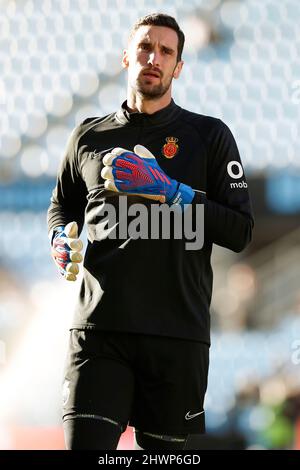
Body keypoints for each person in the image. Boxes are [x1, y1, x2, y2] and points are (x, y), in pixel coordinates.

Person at [47, 13, 254, 450]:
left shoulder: (209, 137)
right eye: (145, 47)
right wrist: (60, 241)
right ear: (126, 57)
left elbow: (239, 231)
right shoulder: (88, 136)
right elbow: (62, 205)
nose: (153, 58)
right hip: (100, 331)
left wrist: (172, 192)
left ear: (178, 67)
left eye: (166, 51)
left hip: (176, 337)